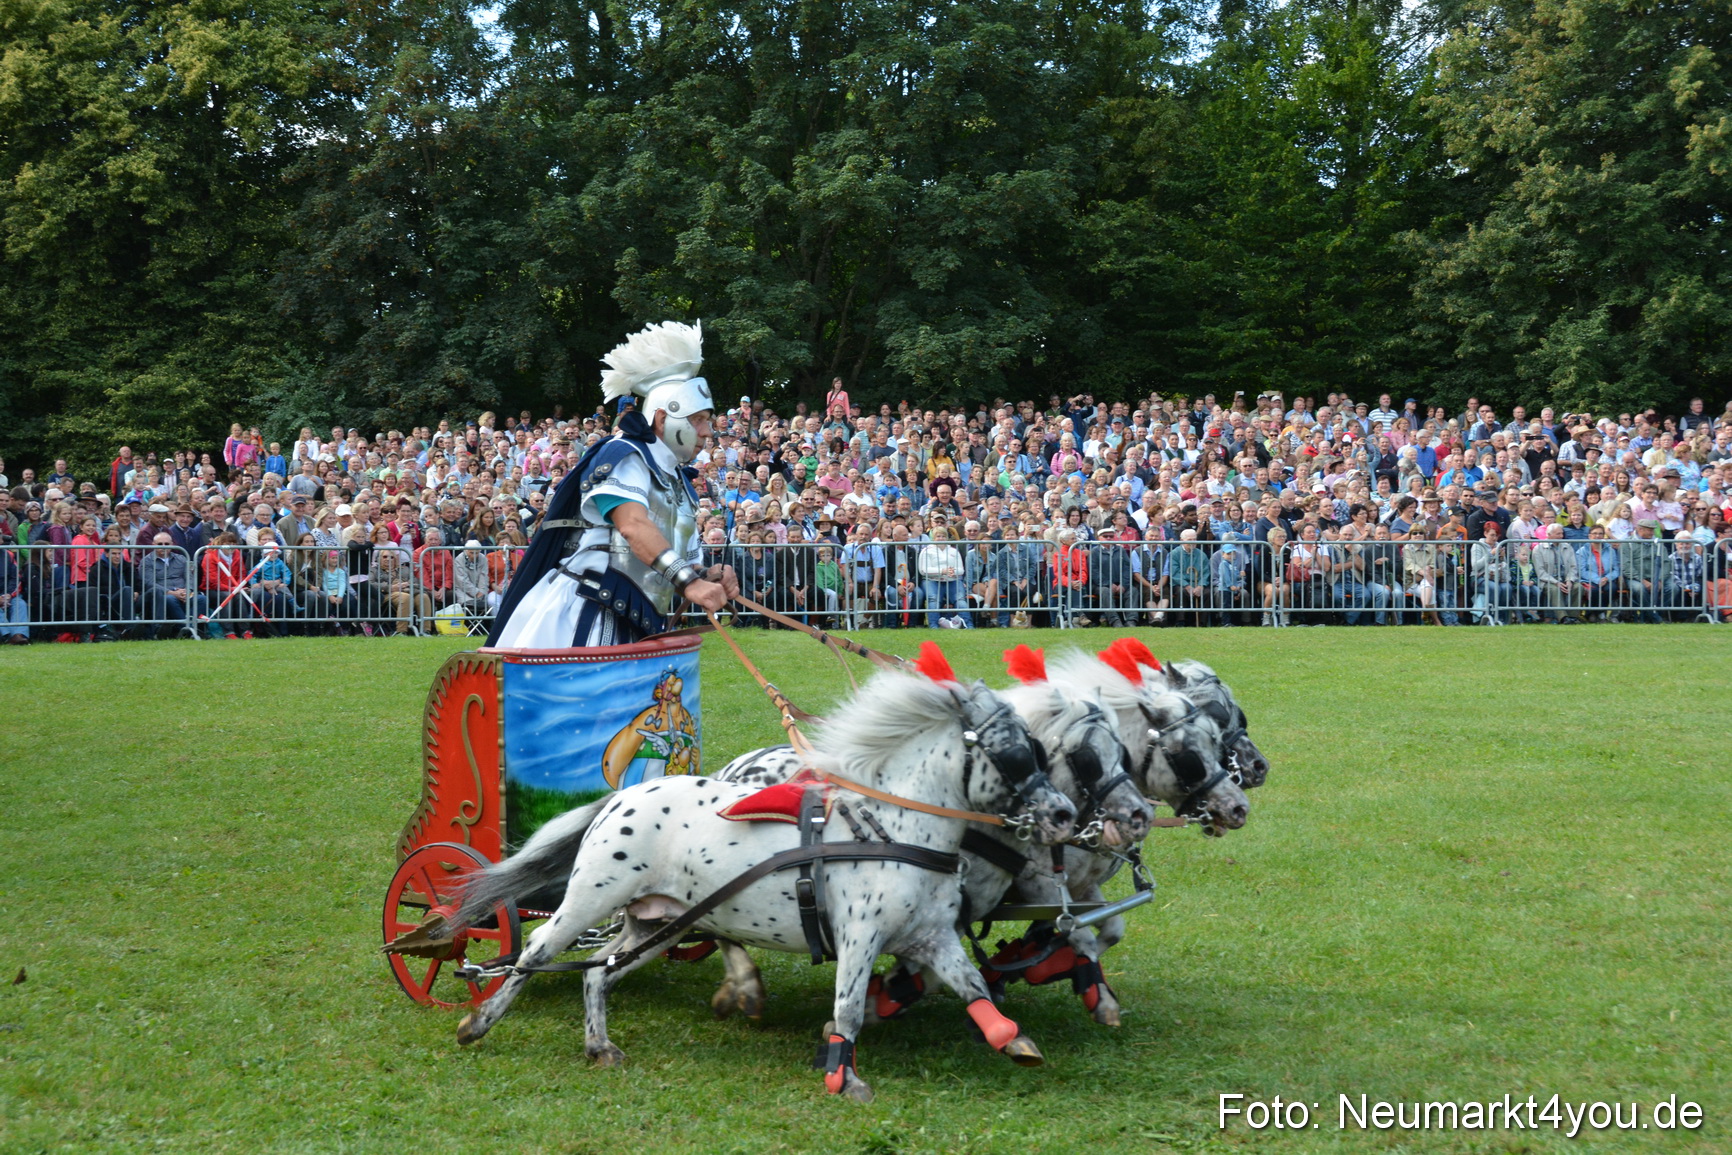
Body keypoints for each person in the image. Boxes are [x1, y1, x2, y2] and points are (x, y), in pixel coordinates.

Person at [489, 322, 736, 647]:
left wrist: (707, 576)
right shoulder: (625, 454)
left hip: (640, 617)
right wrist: (690, 581)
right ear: (663, 419)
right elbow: (633, 526)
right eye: (698, 419)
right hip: (590, 608)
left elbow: (677, 565)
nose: (707, 432)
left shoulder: (681, 484)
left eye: (708, 420)